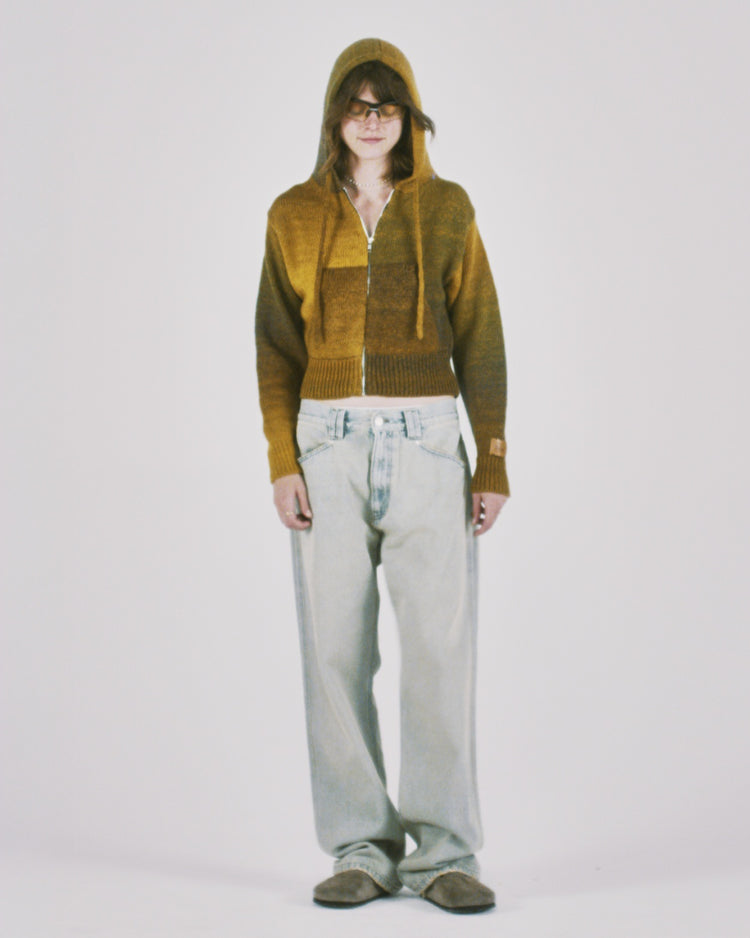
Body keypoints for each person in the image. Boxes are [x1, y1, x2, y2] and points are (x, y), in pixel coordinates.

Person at [255, 37, 509, 914]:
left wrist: (493, 458)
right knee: (334, 652)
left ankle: (444, 854)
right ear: (336, 116)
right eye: (358, 107)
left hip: (431, 441)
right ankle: (361, 847)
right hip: (326, 446)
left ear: (409, 116)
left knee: (439, 650)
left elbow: (481, 336)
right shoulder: (292, 214)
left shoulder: (447, 207)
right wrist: (282, 460)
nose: (372, 121)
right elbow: (275, 346)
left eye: (387, 106)